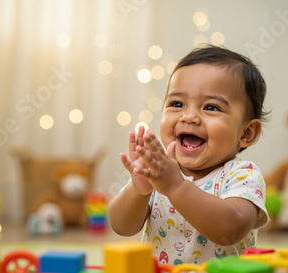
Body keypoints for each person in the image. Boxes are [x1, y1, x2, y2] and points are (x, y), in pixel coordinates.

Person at [108, 45, 270, 265]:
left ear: (246, 132)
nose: (189, 116)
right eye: (177, 104)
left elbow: (230, 231)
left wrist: (176, 187)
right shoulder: (159, 172)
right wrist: (139, 190)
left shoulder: (243, 175)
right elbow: (121, 227)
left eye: (211, 107)